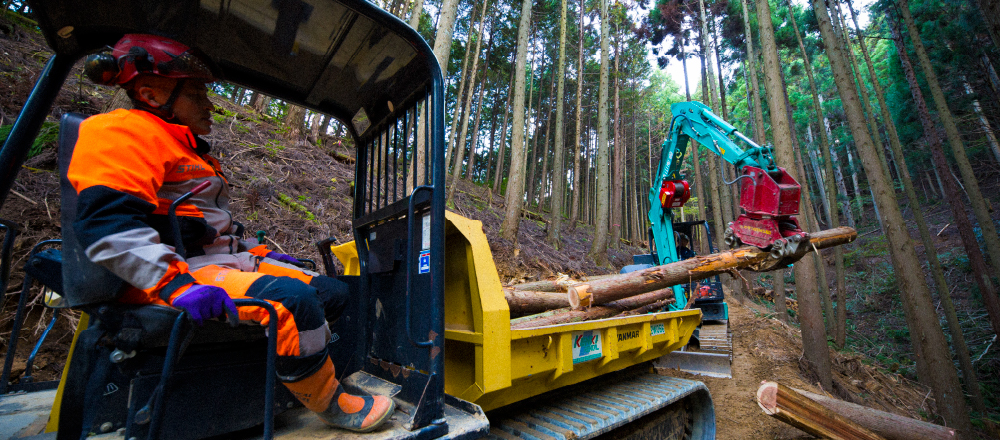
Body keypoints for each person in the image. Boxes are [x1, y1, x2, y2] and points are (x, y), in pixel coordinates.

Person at [69, 34, 394, 433]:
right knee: (293, 302)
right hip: (173, 270)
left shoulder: (191, 152)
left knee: (334, 293)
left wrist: (262, 253)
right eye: (196, 94)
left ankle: (299, 376)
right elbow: (107, 225)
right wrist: (176, 285)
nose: (209, 105)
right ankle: (330, 402)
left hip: (216, 260)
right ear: (151, 95)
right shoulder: (124, 131)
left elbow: (211, 225)